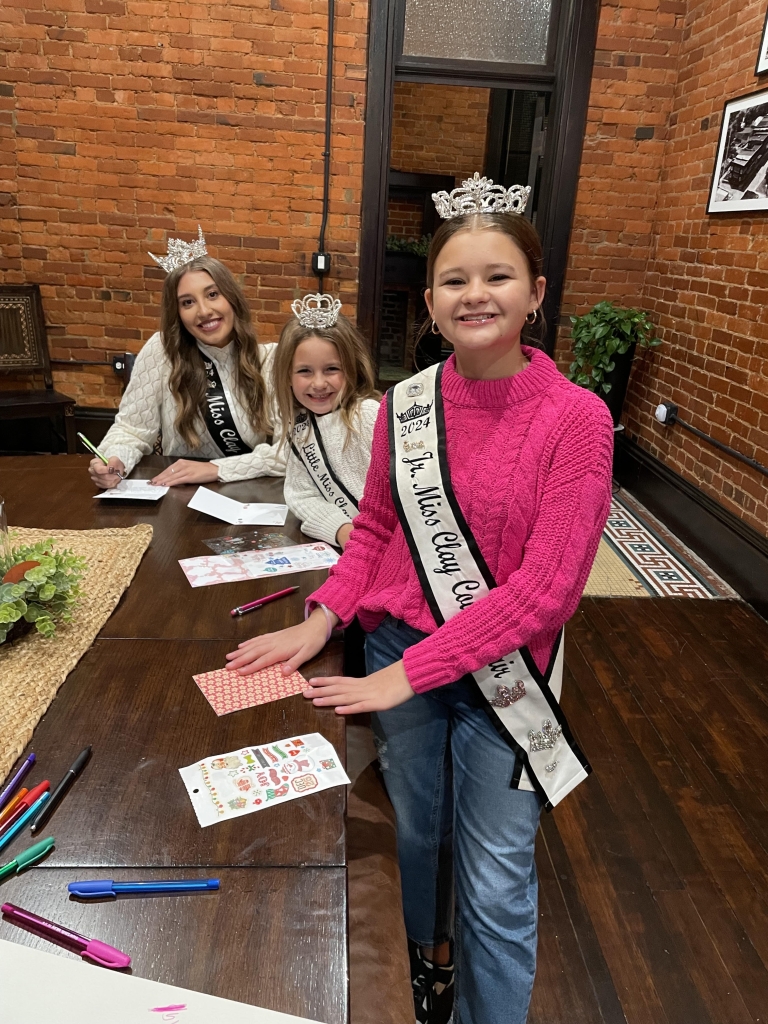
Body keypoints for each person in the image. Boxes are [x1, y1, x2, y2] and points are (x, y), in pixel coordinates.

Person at [225, 174, 615, 1024]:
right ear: (430, 300)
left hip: (505, 671)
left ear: (537, 292)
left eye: (498, 276)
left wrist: (410, 675)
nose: (476, 294)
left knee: (500, 871)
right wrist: (322, 617)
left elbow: (548, 590)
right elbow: (371, 533)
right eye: (455, 280)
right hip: (399, 643)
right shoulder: (404, 404)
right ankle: (425, 970)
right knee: (415, 832)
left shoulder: (577, 419)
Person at [89, 227, 285, 488]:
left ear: (232, 299)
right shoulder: (162, 350)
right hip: (179, 492)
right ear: (178, 313)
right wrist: (115, 460)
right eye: (187, 302)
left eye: (213, 294)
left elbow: (288, 453)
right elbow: (131, 430)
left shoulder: (270, 359)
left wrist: (215, 468)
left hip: (251, 493)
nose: (204, 311)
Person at [272, 293, 380, 549]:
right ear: (287, 375)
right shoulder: (298, 428)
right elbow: (301, 495)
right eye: (304, 371)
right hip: (350, 547)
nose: (319, 383)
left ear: (352, 368)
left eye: (332, 369)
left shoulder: (368, 415)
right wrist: (341, 529)